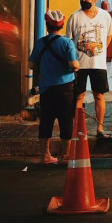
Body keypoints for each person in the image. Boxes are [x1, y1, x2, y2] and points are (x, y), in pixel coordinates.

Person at [29, 10, 80, 165]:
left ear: (47, 25)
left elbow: (32, 64)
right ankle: (66, 156)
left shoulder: (40, 42)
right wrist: (75, 66)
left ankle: (45, 156)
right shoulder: (67, 43)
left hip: (46, 88)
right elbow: (73, 65)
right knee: (66, 121)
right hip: (65, 89)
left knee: (46, 120)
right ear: (62, 25)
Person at [67, 0, 112, 138]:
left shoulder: (105, 16)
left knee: (99, 95)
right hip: (79, 65)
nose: (83, 0)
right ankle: (78, 129)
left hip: (98, 65)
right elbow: (68, 41)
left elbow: (109, 35)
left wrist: (100, 50)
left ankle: (99, 130)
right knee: (78, 96)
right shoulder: (75, 17)